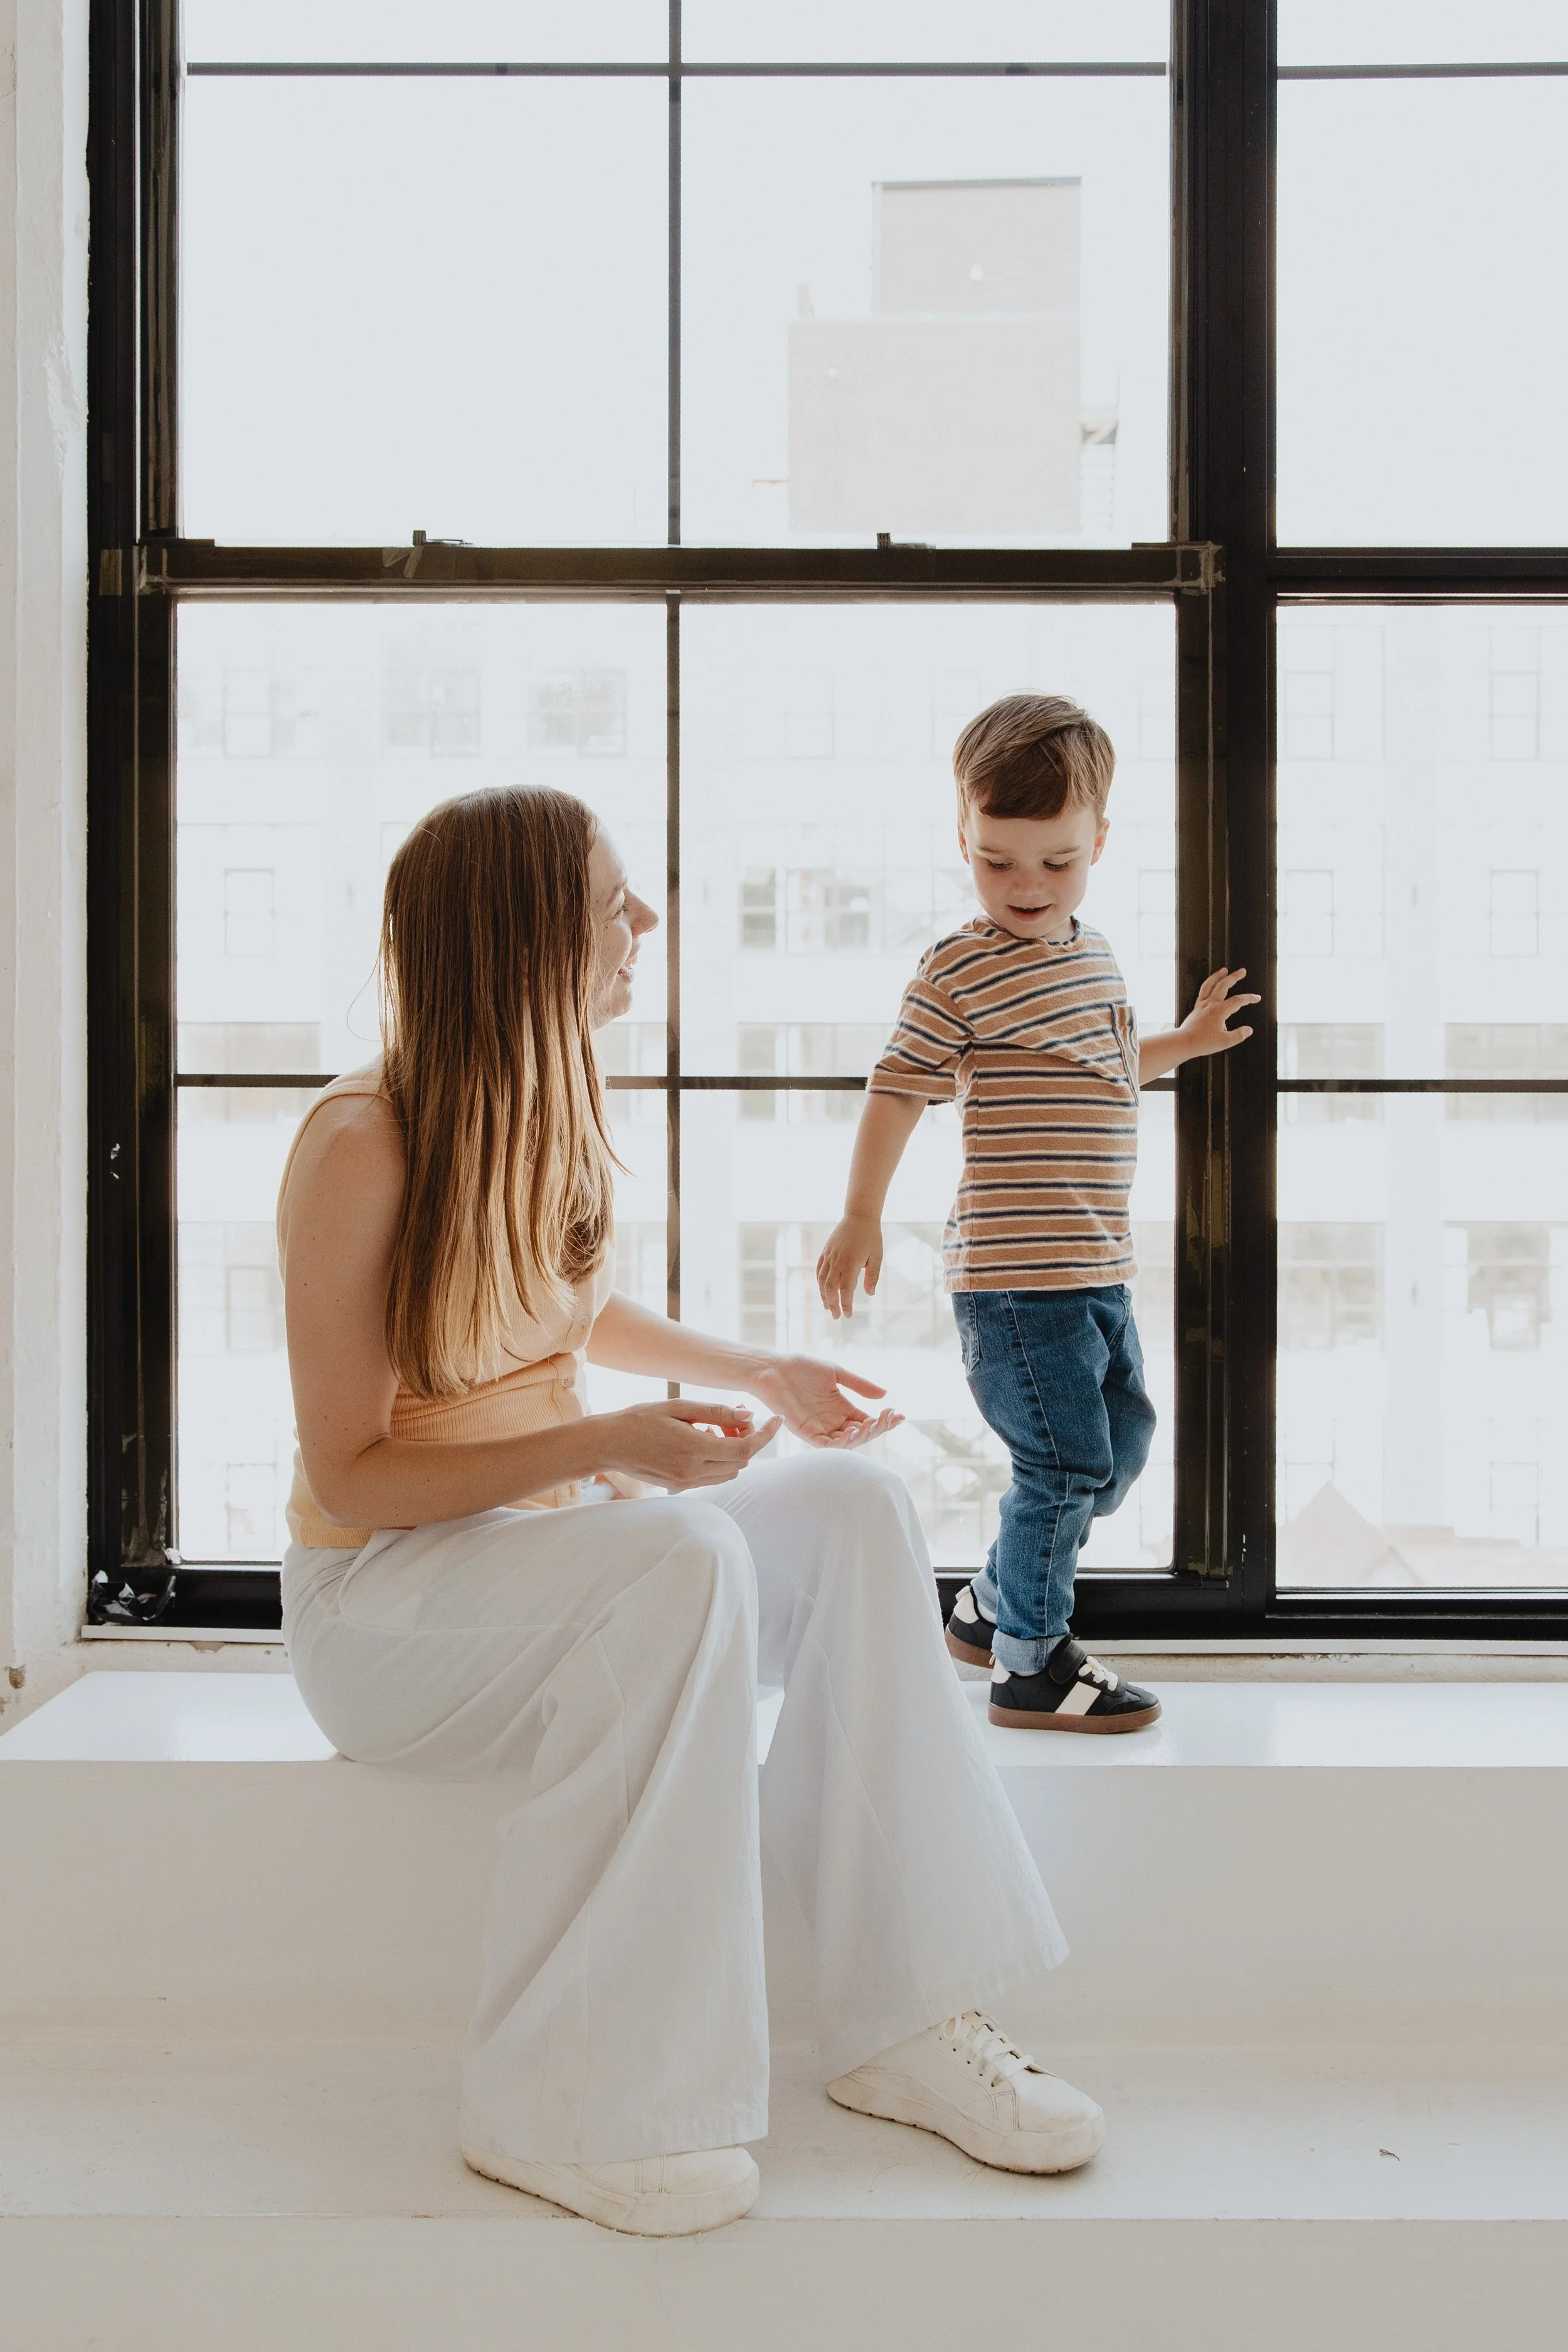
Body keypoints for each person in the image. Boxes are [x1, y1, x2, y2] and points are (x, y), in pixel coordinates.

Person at [277, 781, 1104, 2243]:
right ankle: (568, 2104)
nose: (642, 922)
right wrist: (606, 1449)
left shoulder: (538, 1108)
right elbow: (354, 1474)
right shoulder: (362, 1141)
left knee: (849, 1505)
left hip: (539, 1557)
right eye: (611, 901)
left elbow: (557, 1319)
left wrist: (755, 1371)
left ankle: (904, 2020)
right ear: (528, 935)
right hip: (384, 1614)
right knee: (671, 1552)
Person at [817, 695, 1257, 1734]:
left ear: (1099, 841)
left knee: (1121, 1447)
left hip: (1097, 1267)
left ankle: (987, 1603)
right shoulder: (958, 968)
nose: (1026, 887)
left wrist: (1182, 1044)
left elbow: (1103, 1070)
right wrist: (859, 1212)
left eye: (1056, 863)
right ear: (963, 840)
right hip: (1018, 1283)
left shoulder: (1092, 956)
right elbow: (897, 1086)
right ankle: (1031, 1660)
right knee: (1063, 1465)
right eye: (997, 861)